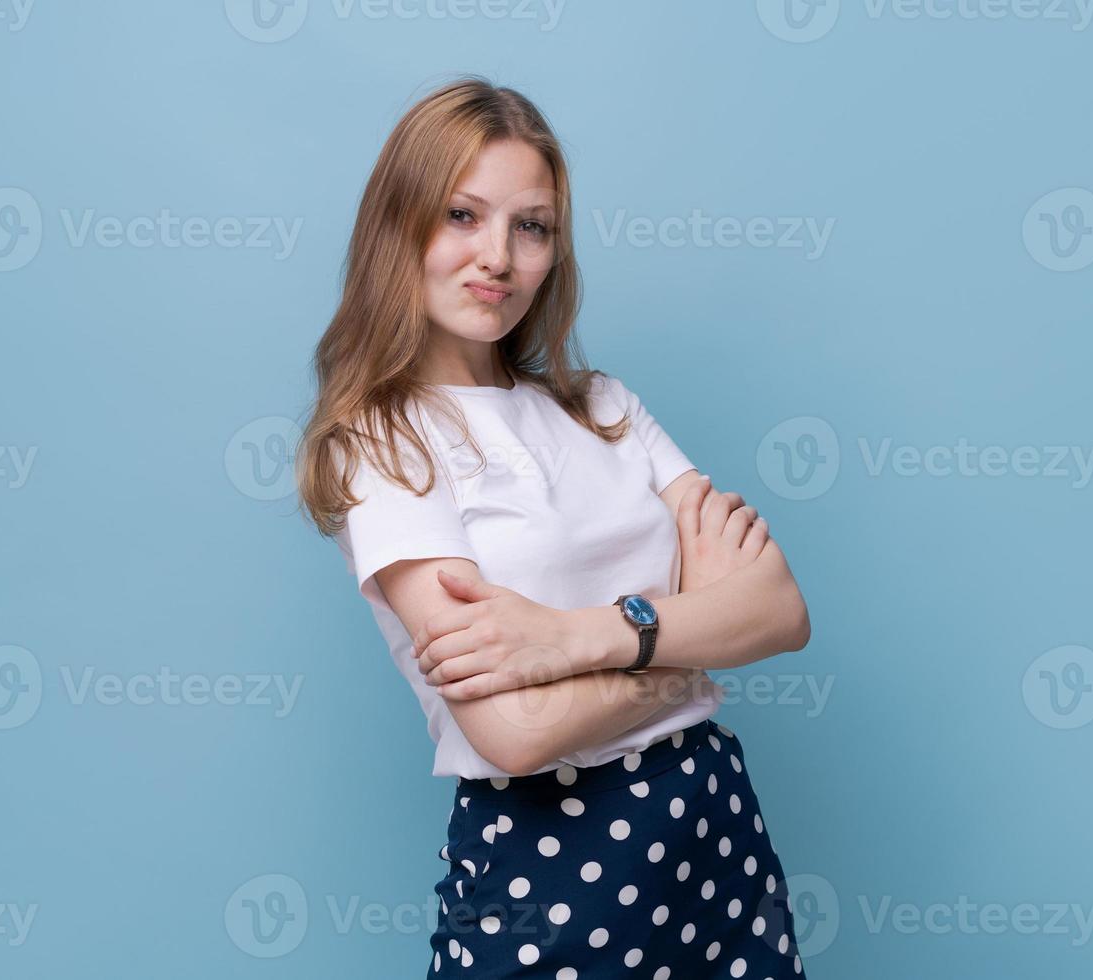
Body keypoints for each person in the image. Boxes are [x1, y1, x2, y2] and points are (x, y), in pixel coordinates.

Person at [297, 75, 813, 979]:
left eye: (530, 226)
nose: (497, 255)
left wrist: (569, 636)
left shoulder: (606, 408)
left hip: (714, 831)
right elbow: (518, 733)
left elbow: (778, 613)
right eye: (462, 214)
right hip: (553, 868)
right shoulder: (383, 443)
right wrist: (693, 648)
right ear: (399, 224)